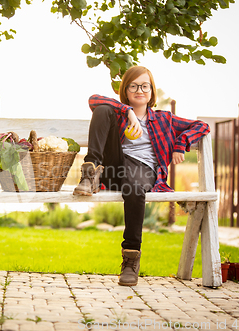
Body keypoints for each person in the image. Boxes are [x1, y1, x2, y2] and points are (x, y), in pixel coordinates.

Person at [73, 66, 210, 286]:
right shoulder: (118, 114)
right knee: (102, 109)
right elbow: (94, 99)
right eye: (134, 86)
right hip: (113, 168)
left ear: (151, 91)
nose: (140, 90)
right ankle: (89, 174)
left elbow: (201, 125)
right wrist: (127, 112)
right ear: (126, 90)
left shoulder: (164, 119)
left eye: (145, 86)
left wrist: (180, 143)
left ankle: (130, 261)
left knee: (135, 189)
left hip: (142, 170)